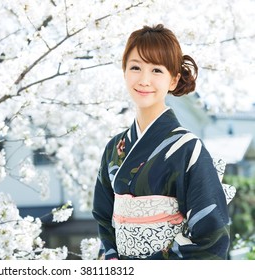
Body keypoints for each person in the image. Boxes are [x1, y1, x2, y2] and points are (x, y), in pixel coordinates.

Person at [92, 24, 231, 260]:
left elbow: (213, 237)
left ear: (174, 80)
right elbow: (104, 219)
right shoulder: (113, 149)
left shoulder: (188, 149)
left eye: (156, 70)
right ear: (124, 72)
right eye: (135, 67)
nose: (144, 80)